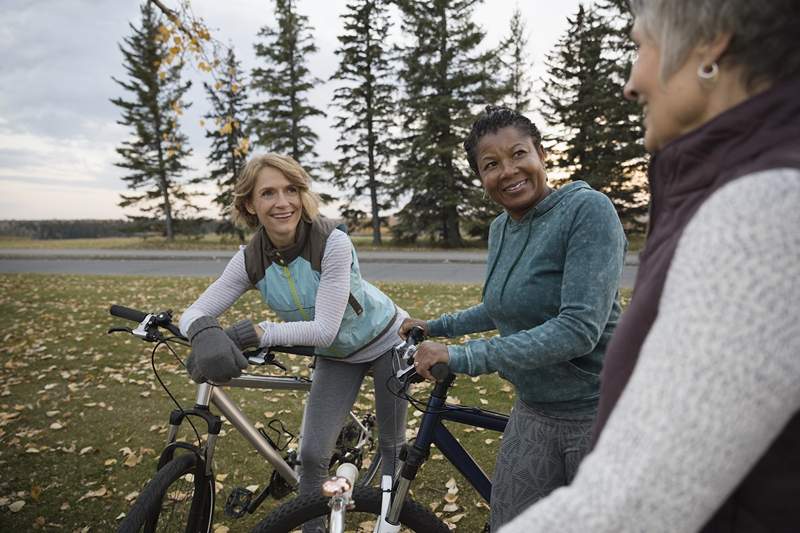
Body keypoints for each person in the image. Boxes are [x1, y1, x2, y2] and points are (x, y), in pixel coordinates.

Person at [498, 0, 800, 532]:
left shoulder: (764, 206)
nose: (631, 83)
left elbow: (631, 508)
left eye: (641, 46)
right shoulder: (729, 185)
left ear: (710, 45)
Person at [405, 105, 627, 530]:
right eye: (491, 164)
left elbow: (578, 329)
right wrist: (438, 327)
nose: (508, 171)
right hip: (534, 407)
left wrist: (463, 357)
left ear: (541, 154)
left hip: (598, 411)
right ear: (481, 177)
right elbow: (502, 305)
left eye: (518, 154)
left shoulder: (587, 211)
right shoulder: (500, 228)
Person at [178, 154, 408, 531]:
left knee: (392, 446)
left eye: (291, 190)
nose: (282, 202)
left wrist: (254, 334)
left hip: (387, 340)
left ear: (303, 196)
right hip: (337, 356)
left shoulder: (332, 241)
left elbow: (323, 330)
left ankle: (390, 521)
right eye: (268, 193)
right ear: (250, 204)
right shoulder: (251, 258)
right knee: (313, 455)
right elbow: (196, 310)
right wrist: (203, 331)